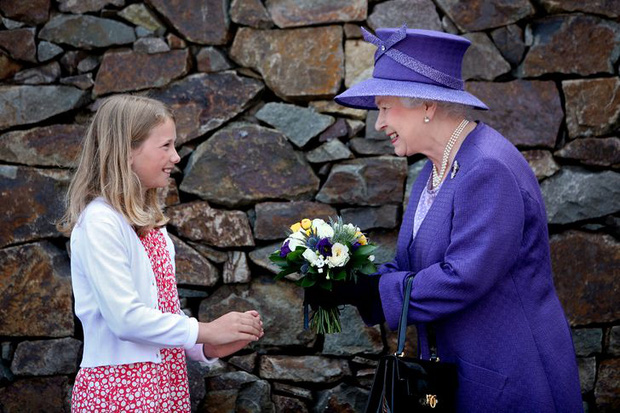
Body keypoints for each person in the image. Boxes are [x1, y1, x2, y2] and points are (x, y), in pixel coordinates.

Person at [322, 25, 583, 411]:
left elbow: (463, 277)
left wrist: (376, 295)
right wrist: (348, 277)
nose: (378, 123)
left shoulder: (488, 168)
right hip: (463, 372)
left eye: (384, 106)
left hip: (509, 375)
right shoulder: (434, 168)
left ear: (427, 106)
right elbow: (412, 266)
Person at [57, 95, 264, 412]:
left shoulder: (149, 225)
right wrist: (206, 329)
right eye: (165, 146)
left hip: (162, 386)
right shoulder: (100, 223)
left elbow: (161, 312)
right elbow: (126, 320)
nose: (177, 156)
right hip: (119, 392)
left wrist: (206, 346)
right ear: (127, 151)